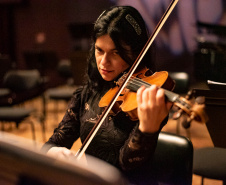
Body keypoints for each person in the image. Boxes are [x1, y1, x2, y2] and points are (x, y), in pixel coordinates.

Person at [42, 5, 172, 184]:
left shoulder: (146, 99)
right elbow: (53, 143)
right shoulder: (86, 95)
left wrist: (146, 130)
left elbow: (125, 165)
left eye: (116, 53)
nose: (104, 62)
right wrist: (55, 152)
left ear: (135, 53)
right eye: (99, 50)